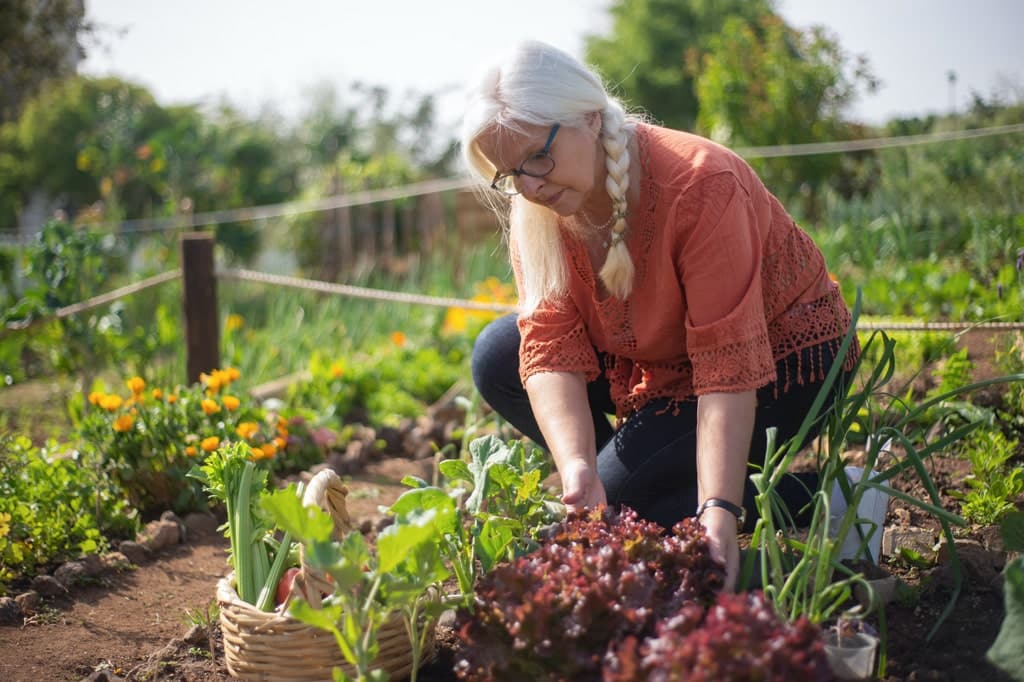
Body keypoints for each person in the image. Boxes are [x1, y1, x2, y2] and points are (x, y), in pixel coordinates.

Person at [461, 40, 861, 591]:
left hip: (784, 362)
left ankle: (838, 498)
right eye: (510, 174)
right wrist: (579, 468)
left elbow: (727, 367)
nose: (529, 186)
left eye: (536, 156)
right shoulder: (540, 208)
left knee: (626, 503)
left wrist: (718, 509)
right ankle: (636, 481)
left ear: (589, 118)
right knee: (498, 355)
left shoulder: (701, 183)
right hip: (663, 360)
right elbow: (549, 343)